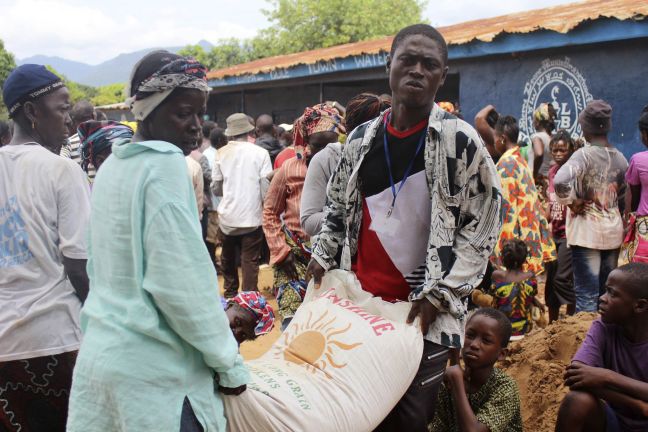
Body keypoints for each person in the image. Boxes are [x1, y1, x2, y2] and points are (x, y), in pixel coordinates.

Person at [306, 24, 503, 431]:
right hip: (358, 307)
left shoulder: (461, 143)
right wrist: (322, 255)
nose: (417, 70)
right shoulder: (361, 139)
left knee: (411, 420)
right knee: (359, 411)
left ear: (442, 75)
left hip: (424, 315)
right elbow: (337, 209)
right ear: (389, 66)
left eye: (429, 64)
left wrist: (441, 294)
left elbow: (482, 229)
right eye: (407, 60)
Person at [66, 51, 248, 432]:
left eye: (200, 114)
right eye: (184, 113)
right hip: (155, 378)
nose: (196, 126)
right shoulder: (164, 165)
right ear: (147, 110)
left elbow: (98, 263)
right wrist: (229, 365)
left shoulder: (113, 166)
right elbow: (181, 285)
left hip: (102, 360)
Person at [0, 64, 91, 431]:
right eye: (62, 108)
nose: (69, 121)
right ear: (32, 113)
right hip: (56, 343)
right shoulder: (61, 170)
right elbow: (79, 267)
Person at [263, 104, 344, 329]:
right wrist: (281, 250)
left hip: (332, 259)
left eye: (331, 145)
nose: (325, 153)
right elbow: (270, 211)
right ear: (306, 142)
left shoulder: (346, 167)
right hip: (293, 259)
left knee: (324, 324)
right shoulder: (290, 169)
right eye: (318, 146)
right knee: (291, 323)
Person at [554, 100, 628, 312]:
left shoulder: (583, 155)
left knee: (586, 297)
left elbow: (560, 181)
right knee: (607, 296)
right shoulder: (621, 159)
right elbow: (623, 198)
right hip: (613, 234)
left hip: (587, 233)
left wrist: (571, 201)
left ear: (585, 128)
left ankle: (587, 343)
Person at [555, 263, 648, 432]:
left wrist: (607, 376)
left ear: (640, 306)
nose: (602, 298)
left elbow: (597, 377)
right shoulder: (603, 326)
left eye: (612, 293)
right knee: (577, 401)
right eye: (606, 290)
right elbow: (575, 377)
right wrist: (637, 404)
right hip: (617, 422)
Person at [300, 93, 390, 238]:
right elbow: (309, 221)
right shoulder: (329, 159)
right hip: (341, 255)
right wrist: (370, 219)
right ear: (348, 132)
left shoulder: (396, 156)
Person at [430, 308, 523, 432]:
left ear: (501, 354)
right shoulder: (446, 384)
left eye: (486, 340)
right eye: (470, 335)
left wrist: (457, 383)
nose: (474, 344)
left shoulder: (505, 387)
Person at [212, 112, 272, 298]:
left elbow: (216, 189)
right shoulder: (260, 153)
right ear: (248, 130)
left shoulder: (220, 154)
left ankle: (230, 296)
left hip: (227, 218)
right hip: (253, 217)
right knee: (250, 261)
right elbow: (265, 187)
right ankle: (250, 300)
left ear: (229, 133)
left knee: (228, 260)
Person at [491, 115, 556, 274]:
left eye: (495, 138)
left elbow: (507, 212)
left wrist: (505, 251)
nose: (494, 143)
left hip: (514, 248)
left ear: (502, 139)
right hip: (526, 238)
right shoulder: (520, 160)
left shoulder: (507, 165)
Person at [545, 130, 576, 322]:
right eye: (555, 150)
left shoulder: (574, 171)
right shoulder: (551, 172)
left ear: (570, 150)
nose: (558, 154)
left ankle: (575, 317)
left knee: (562, 279)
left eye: (562, 150)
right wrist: (542, 221)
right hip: (553, 233)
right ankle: (552, 324)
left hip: (569, 234)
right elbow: (551, 203)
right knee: (550, 283)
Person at [491, 239, 545, 337]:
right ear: (525, 260)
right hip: (524, 330)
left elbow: (492, 298)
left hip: (500, 331)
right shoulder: (530, 277)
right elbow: (530, 294)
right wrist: (535, 302)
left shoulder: (497, 276)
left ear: (502, 259)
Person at [622, 106, 648, 263]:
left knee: (641, 275)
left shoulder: (638, 160)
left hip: (645, 226)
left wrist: (628, 222)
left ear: (645, 134)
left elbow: (633, 198)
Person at [60, 100, 97, 182]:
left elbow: (61, 163)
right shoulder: (110, 137)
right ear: (93, 116)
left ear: (73, 120)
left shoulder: (69, 143)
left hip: (83, 192)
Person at [530, 102, 557, 191]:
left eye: (534, 119)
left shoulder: (537, 137)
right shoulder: (553, 139)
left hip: (539, 185)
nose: (533, 122)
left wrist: (534, 176)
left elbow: (539, 153)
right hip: (550, 184)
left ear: (538, 122)